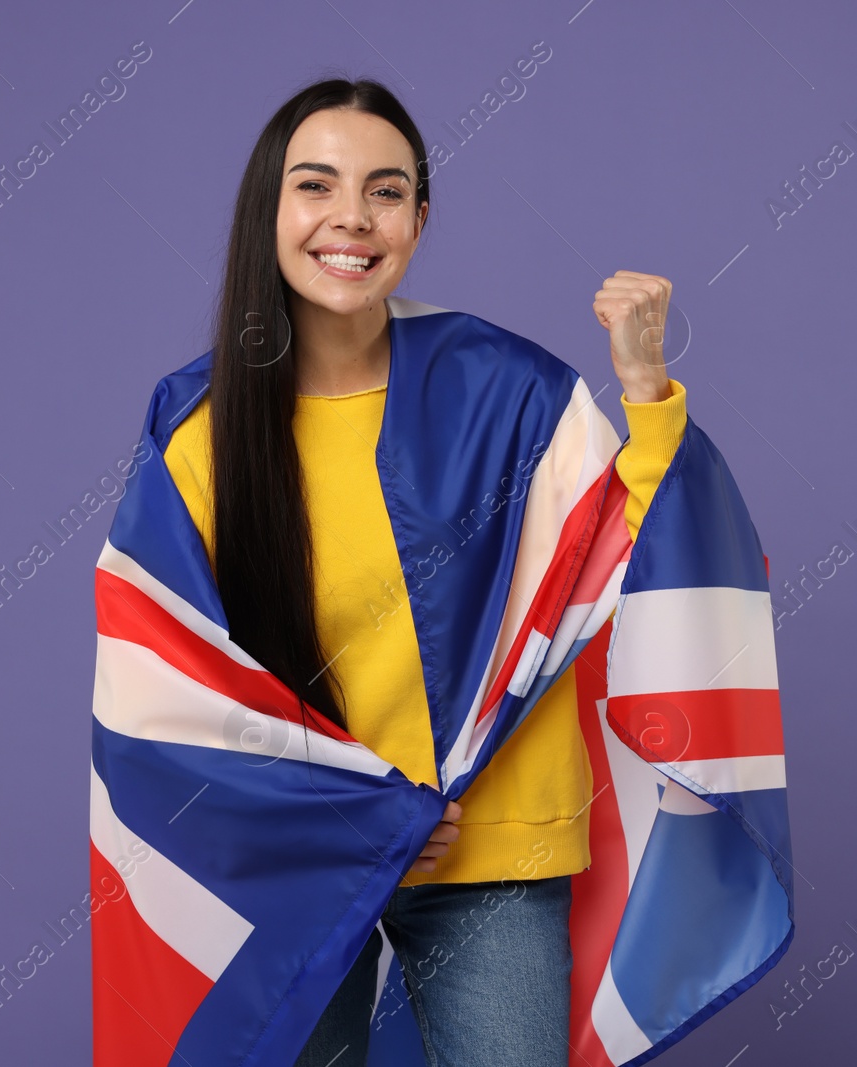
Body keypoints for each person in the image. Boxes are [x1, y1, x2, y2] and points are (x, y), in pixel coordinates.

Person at [159, 77, 690, 1067]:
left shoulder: (513, 390)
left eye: (387, 190)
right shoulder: (198, 425)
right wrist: (362, 814)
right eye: (316, 185)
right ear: (268, 208)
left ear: (420, 217)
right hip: (296, 858)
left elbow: (653, 563)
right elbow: (171, 668)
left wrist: (644, 386)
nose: (351, 217)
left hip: (490, 849)